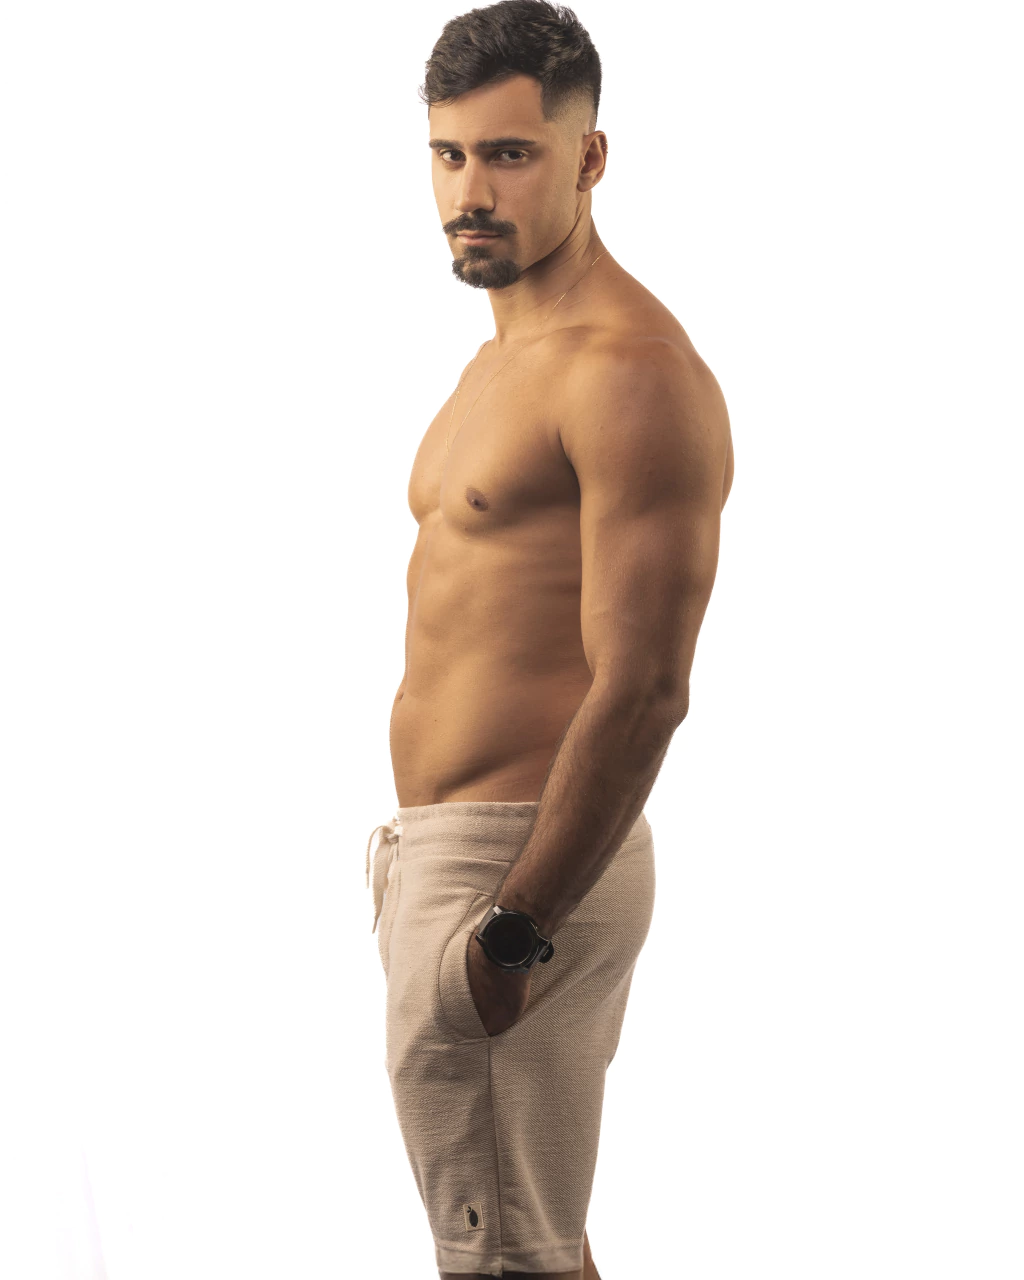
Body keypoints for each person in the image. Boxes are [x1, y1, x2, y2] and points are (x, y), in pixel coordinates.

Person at [365, 2, 734, 1275]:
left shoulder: (627, 367)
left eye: (511, 154)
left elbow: (645, 688)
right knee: (517, 1247)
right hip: (449, 862)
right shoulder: (497, 365)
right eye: (449, 154)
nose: (470, 192)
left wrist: (515, 927)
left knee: (507, 1256)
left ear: (589, 157)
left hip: (518, 872)